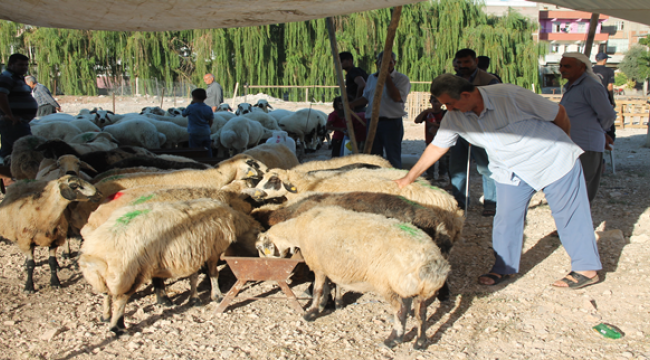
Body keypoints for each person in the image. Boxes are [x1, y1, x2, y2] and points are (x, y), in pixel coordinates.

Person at [395, 74, 602, 290]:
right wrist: (409, 178)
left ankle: (586, 269)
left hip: (552, 160)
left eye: (450, 102)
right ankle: (504, 267)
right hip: (509, 169)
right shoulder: (455, 116)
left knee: (569, 214)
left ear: (466, 94)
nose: (447, 108)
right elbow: (438, 146)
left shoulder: (510, 95)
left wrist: (562, 144)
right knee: (506, 219)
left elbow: (559, 113)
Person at [559, 53, 617, 203]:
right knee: (570, 190)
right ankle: (570, 226)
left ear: (582, 67)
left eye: (567, 66)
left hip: (586, 146)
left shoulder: (590, 86)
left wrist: (601, 131)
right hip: (573, 145)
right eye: (561, 65)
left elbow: (608, 114)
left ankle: (578, 226)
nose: (562, 69)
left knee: (583, 191)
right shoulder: (572, 86)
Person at [451, 48, 499, 216]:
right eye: (460, 62)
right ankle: (459, 202)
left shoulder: (489, 81)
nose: (463, 66)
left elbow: (495, 106)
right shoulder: (452, 81)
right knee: (457, 168)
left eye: (467, 62)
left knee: (486, 167)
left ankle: (491, 202)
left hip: (481, 131)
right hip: (458, 130)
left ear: (476, 61)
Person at [348, 51, 411, 168]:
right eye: (382, 62)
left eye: (389, 62)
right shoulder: (372, 78)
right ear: (377, 63)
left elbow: (396, 97)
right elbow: (366, 97)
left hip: (391, 123)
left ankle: (395, 182)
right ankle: (376, 181)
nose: (386, 65)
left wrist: (386, 76)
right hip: (372, 122)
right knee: (374, 156)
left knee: (393, 155)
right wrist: (351, 104)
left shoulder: (402, 79)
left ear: (394, 63)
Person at [0, 53, 38, 159]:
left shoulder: (18, 78)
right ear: (11, 64)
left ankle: (6, 173)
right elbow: (1, 96)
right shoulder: (7, 78)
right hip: (14, 122)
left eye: (26, 65)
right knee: (28, 149)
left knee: (8, 152)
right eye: (21, 65)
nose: (24, 68)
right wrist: (10, 115)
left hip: (18, 121)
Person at [414, 94, 448, 180]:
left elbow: (446, 125)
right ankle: (430, 175)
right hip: (430, 140)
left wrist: (433, 124)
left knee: (443, 159)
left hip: (442, 140)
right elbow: (417, 121)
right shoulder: (428, 114)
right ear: (430, 102)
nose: (436, 104)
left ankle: (442, 175)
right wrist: (424, 112)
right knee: (429, 158)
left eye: (438, 102)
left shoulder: (444, 113)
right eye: (434, 101)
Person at [591, 52, 617, 152]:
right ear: (605, 60)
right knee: (608, 118)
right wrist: (612, 100)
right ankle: (609, 138)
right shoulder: (609, 71)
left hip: (591, 98)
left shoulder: (590, 70)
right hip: (604, 98)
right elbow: (609, 86)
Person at [182, 88, 214, 157]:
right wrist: (208, 128)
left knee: (194, 149)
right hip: (206, 131)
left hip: (194, 132)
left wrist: (190, 104)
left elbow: (183, 114)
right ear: (205, 97)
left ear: (193, 97)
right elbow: (211, 121)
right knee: (207, 149)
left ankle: (196, 163)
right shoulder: (208, 108)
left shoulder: (191, 107)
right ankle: (209, 162)